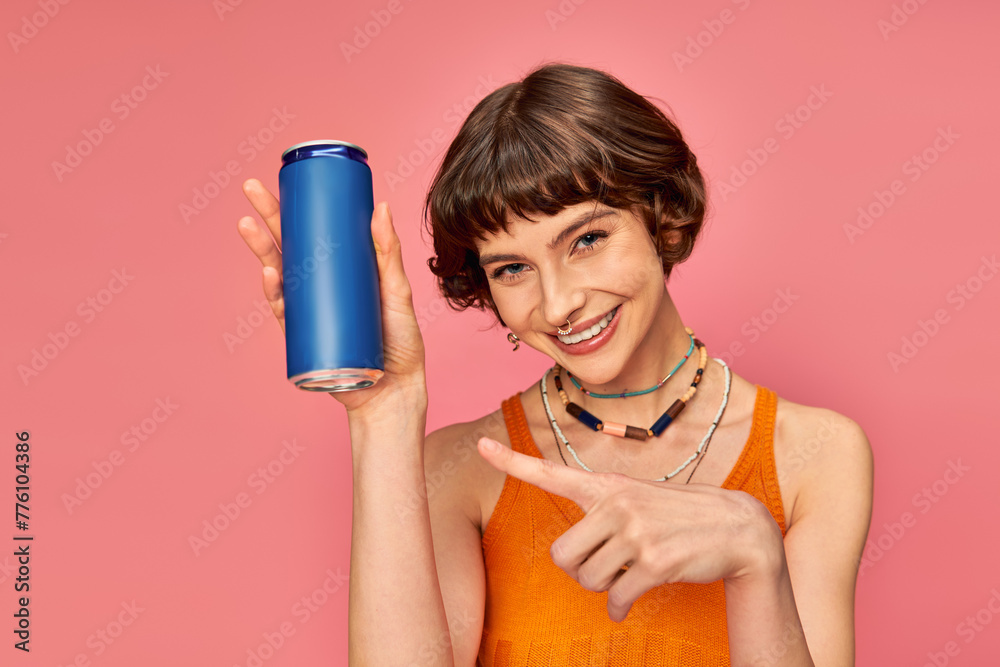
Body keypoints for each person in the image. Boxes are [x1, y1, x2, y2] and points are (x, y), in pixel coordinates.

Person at [237, 63, 873, 666]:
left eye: (588, 240)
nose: (559, 302)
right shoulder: (461, 472)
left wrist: (754, 548)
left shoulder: (815, 454)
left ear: (664, 220)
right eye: (513, 269)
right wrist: (384, 415)